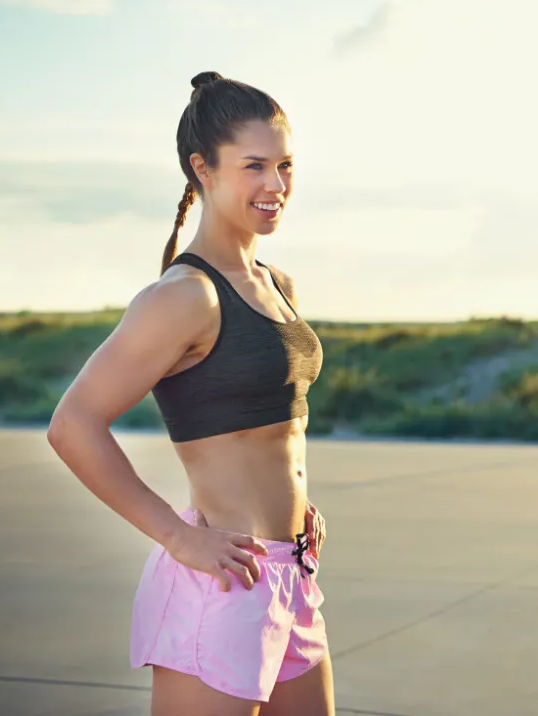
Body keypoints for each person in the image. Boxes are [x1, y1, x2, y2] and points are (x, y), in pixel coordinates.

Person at [47, 71, 335, 716]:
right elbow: (74, 424)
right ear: (202, 169)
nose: (277, 186)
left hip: (291, 575)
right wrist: (178, 538)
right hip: (220, 582)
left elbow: (262, 425)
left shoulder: (277, 281)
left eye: (286, 166)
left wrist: (294, 505)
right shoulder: (185, 296)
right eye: (254, 166)